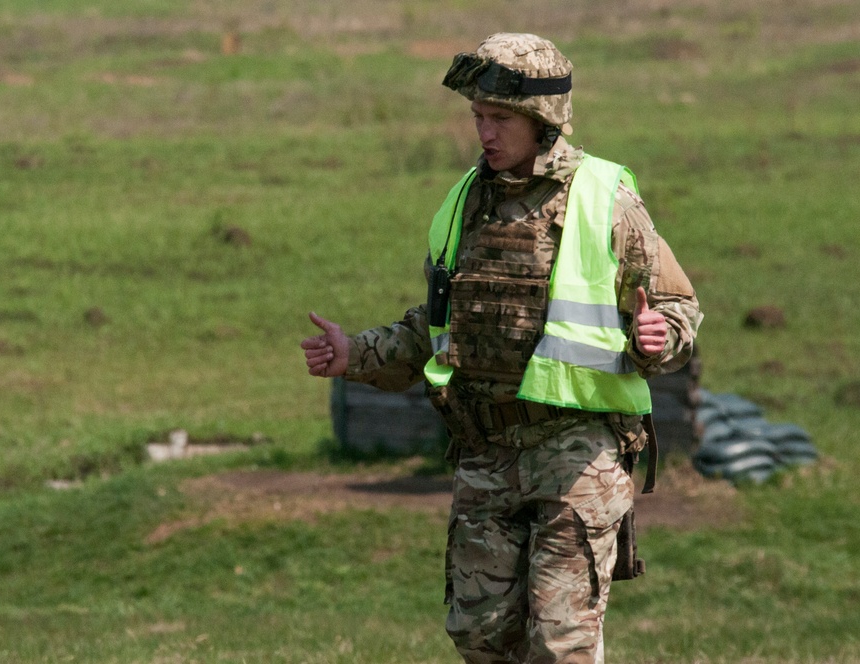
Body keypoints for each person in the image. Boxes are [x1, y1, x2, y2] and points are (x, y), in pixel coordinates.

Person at [301, 33, 702, 664]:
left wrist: (660, 337)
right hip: (485, 452)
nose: (484, 133)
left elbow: (677, 307)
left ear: (543, 121)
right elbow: (435, 329)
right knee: (481, 638)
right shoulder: (464, 201)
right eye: (478, 118)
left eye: (500, 119)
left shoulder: (605, 200)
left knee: (559, 642)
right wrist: (357, 354)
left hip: (576, 455)